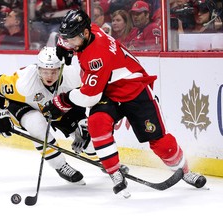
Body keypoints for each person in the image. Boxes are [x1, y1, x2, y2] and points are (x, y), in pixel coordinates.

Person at [42, 9, 207, 198]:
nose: (69, 41)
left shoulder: (98, 57)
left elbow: (89, 97)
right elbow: (75, 42)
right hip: (109, 92)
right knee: (97, 123)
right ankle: (115, 173)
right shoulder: (92, 30)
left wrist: (62, 101)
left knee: (160, 142)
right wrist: (65, 45)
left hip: (134, 91)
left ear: (85, 34)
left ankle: (185, 172)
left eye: (72, 39)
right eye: (67, 38)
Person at [0, 46, 96, 184]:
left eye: (53, 72)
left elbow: (78, 101)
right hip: (24, 106)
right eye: (45, 72)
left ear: (61, 69)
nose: (49, 76)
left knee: (88, 141)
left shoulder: (72, 78)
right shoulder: (24, 83)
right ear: (38, 69)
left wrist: (81, 122)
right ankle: (60, 165)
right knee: (36, 123)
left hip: (55, 107)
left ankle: (106, 164)